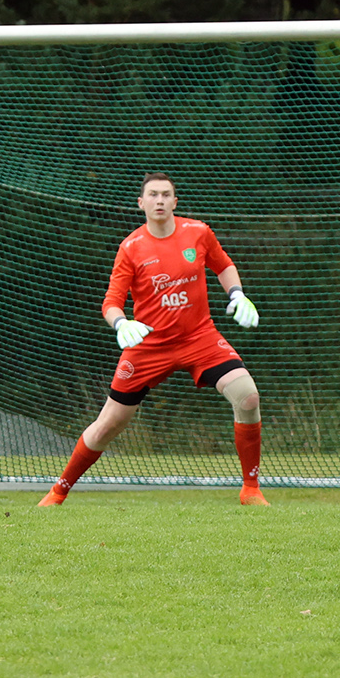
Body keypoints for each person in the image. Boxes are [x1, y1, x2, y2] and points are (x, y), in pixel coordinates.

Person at [40, 174, 267, 507]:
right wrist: (121, 323)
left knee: (247, 398)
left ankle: (251, 490)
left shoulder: (198, 233)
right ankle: (58, 491)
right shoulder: (131, 248)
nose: (159, 200)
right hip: (148, 346)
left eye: (166, 194)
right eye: (152, 195)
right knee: (108, 425)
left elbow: (224, 266)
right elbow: (111, 302)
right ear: (141, 203)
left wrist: (237, 294)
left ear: (175, 202)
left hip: (199, 337)